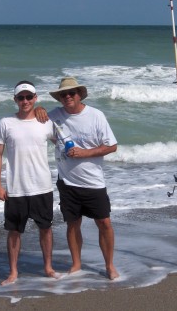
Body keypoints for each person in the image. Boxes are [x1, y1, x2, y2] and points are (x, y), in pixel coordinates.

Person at [35, 76, 119, 280]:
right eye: (63, 94)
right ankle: (76, 264)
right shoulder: (54, 116)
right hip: (67, 182)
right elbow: (34, 120)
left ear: (80, 94)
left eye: (71, 93)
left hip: (93, 182)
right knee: (72, 224)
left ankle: (109, 265)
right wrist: (38, 109)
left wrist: (85, 153)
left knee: (104, 223)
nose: (67, 97)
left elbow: (112, 146)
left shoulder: (96, 115)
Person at [0, 80, 58, 285]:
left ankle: (48, 267)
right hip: (15, 188)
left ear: (35, 98)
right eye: (21, 97)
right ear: (15, 100)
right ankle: (13, 272)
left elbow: (64, 143)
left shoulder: (46, 122)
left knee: (45, 228)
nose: (25, 101)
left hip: (42, 185)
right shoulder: (6, 123)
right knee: (14, 231)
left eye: (29, 97)